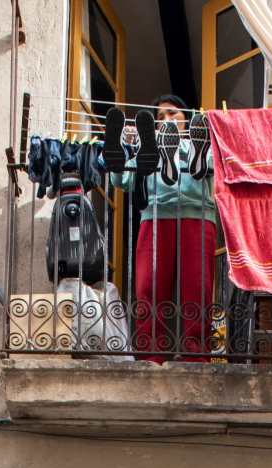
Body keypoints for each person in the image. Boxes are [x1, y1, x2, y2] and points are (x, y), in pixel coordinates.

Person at [109, 95, 216, 363]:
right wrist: (123, 150)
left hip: (197, 215)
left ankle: (196, 356)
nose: (166, 120)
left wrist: (185, 150)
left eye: (172, 114)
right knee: (149, 288)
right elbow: (123, 181)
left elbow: (223, 178)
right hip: (156, 215)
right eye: (160, 118)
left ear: (186, 119)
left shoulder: (209, 148)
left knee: (197, 289)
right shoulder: (147, 149)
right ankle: (151, 356)